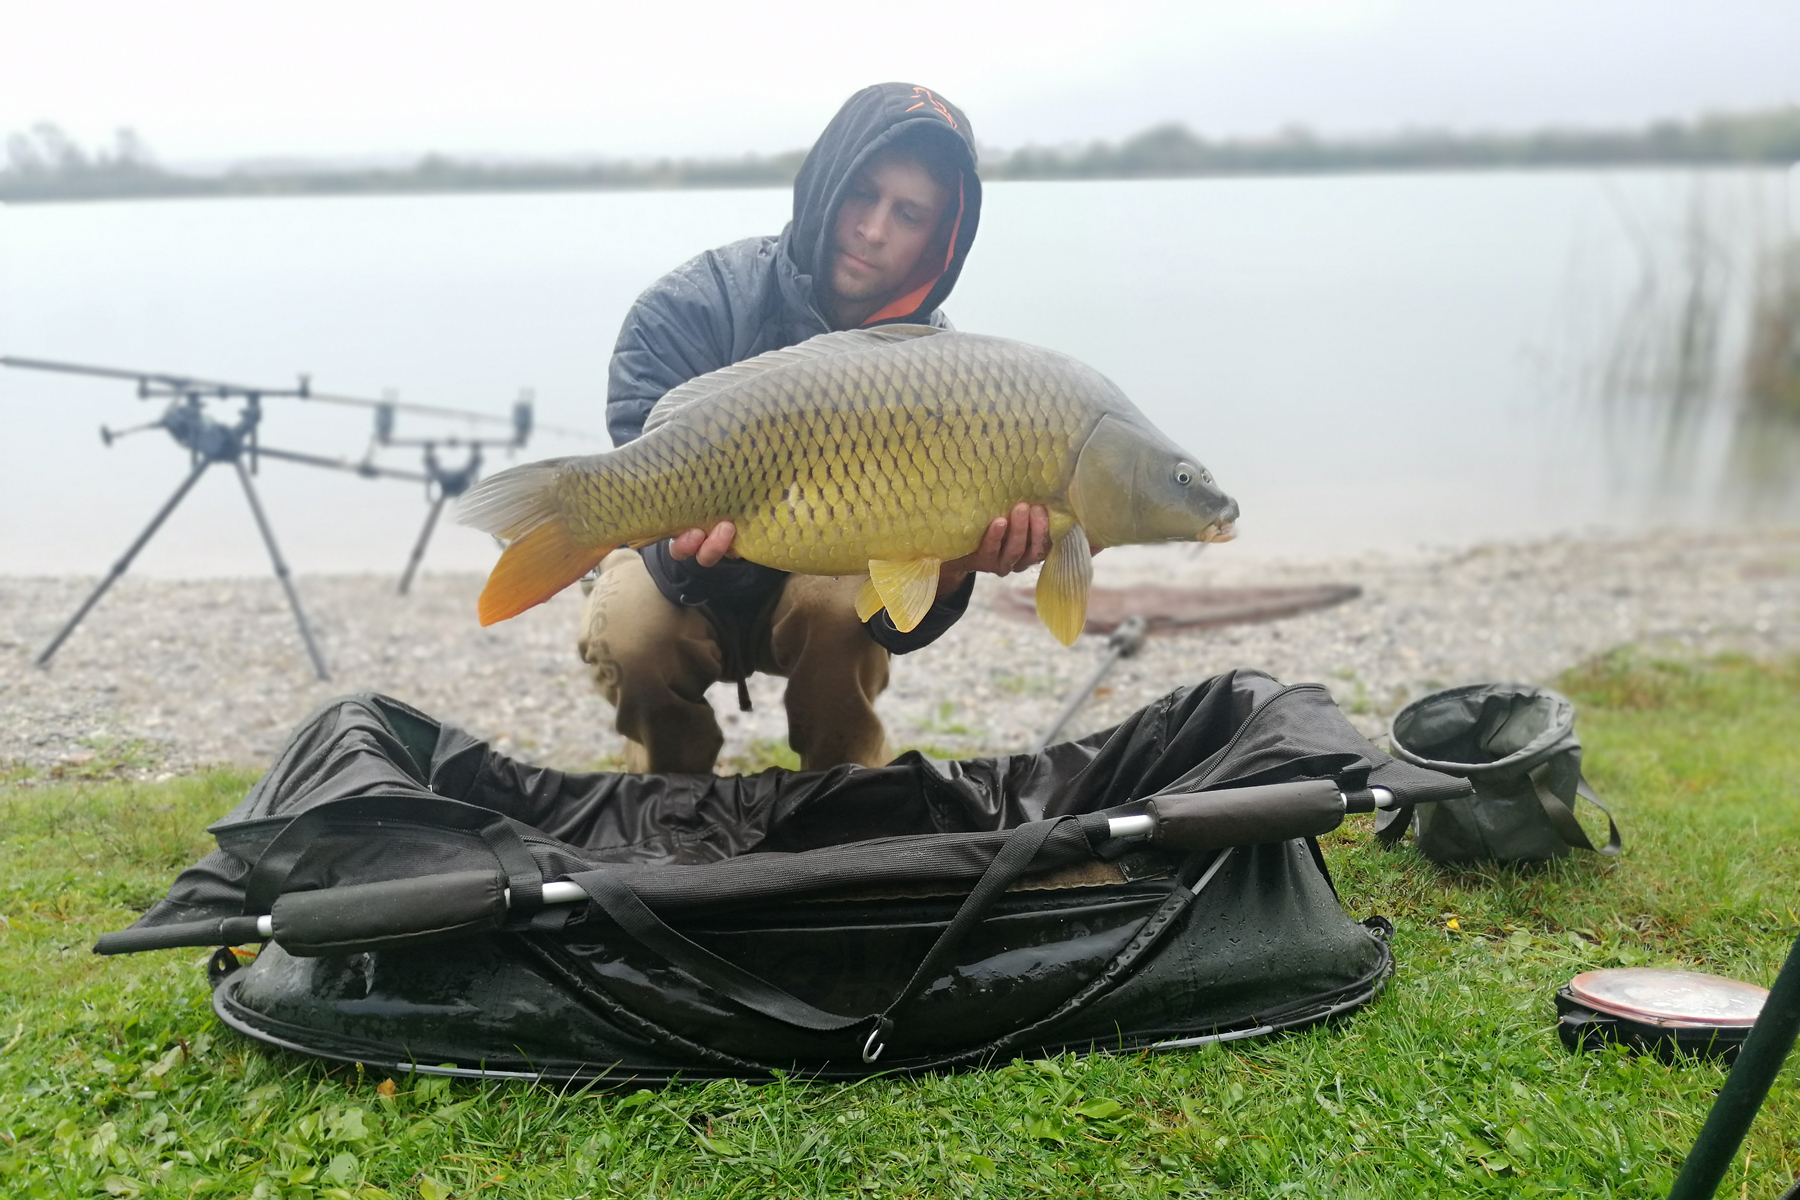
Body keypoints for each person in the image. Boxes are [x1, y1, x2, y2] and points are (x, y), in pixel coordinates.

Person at [581, 82, 1050, 774]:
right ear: (827, 185)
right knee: (632, 625)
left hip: (820, 577)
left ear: (938, 238)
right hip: (683, 569)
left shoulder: (942, 373)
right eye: (863, 192)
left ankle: (845, 795)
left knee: (847, 606)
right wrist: (678, 546)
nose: (874, 228)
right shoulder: (691, 305)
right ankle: (667, 791)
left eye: (910, 213)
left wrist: (951, 572)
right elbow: (638, 459)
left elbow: (901, 607)